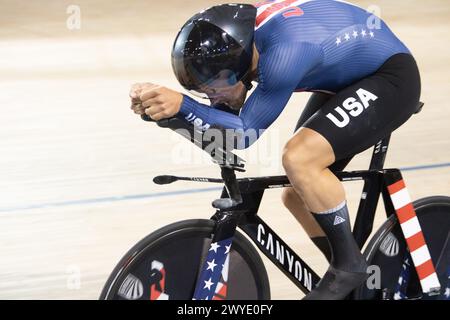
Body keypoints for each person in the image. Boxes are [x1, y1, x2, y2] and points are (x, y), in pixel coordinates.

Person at [129, 1, 421, 299]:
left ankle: (349, 267)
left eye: (219, 82)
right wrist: (169, 117)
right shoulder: (241, 41)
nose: (213, 95)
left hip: (390, 79)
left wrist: (183, 105)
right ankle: (351, 270)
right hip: (347, 78)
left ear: (242, 62)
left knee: (300, 159)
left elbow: (242, 134)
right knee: (298, 193)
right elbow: (221, 133)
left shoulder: (284, 55)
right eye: (203, 90)